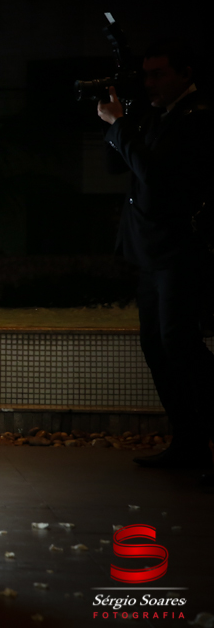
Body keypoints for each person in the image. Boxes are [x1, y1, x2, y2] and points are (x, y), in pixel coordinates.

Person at [99, 39, 214, 488]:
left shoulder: (197, 117)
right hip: (150, 249)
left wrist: (121, 125)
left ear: (185, 73)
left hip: (181, 248)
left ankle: (198, 438)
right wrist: (116, 121)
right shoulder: (157, 114)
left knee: (180, 343)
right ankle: (188, 442)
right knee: (156, 345)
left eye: (159, 74)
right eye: (146, 75)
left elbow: (156, 176)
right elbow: (118, 166)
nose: (150, 83)